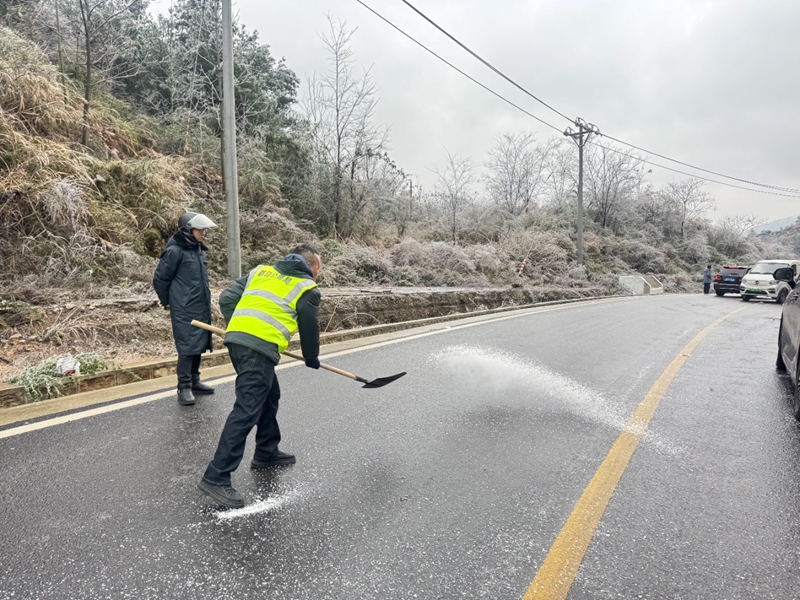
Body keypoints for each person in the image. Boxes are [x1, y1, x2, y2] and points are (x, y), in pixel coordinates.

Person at [198, 244, 322, 509]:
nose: (318, 274)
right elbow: (310, 325)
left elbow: (227, 297)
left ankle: (266, 451)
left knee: (269, 394)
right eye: (318, 269)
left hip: (239, 343)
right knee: (246, 409)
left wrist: (240, 326)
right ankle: (216, 476)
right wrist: (311, 356)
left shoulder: (262, 271)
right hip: (257, 348)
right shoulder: (306, 287)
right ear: (311, 266)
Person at [153, 212, 218, 406]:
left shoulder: (197, 249)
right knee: (187, 345)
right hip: (183, 307)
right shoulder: (175, 251)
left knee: (198, 342)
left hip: (200, 304)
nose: (204, 234)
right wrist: (168, 302)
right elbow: (160, 279)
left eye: (205, 231)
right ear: (188, 230)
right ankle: (184, 386)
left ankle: (195, 380)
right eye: (201, 230)